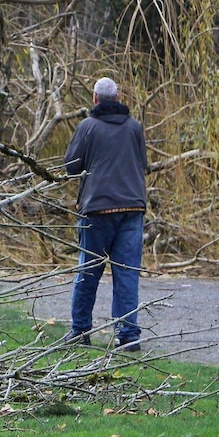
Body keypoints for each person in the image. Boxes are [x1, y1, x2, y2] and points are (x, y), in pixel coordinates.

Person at [63, 77, 148, 350]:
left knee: (88, 271)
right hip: (132, 208)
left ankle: (80, 330)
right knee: (126, 273)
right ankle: (128, 336)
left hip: (97, 209)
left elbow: (71, 167)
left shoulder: (87, 127)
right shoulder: (134, 127)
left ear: (95, 98)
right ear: (118, 96)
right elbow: (142, 163)